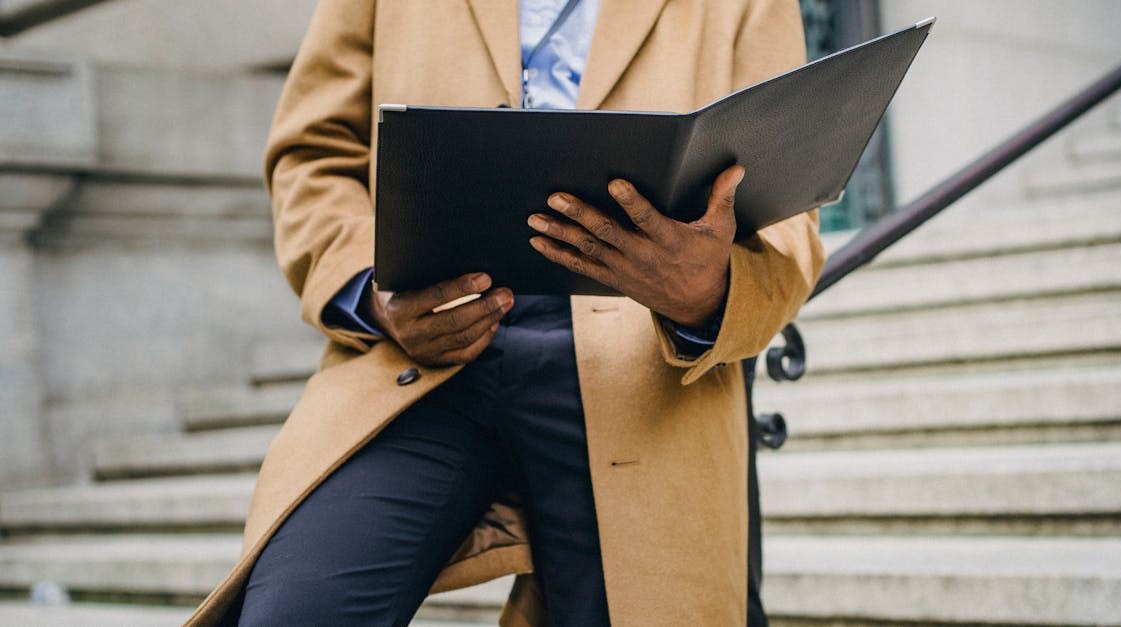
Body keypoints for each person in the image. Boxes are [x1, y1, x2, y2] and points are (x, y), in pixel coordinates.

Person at [185, 1, 824, 625]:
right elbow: (313, 154)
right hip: (425, 350)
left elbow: (789, 216)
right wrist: (373, 293)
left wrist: (704, 291)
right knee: (299, 607)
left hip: (642, 362)